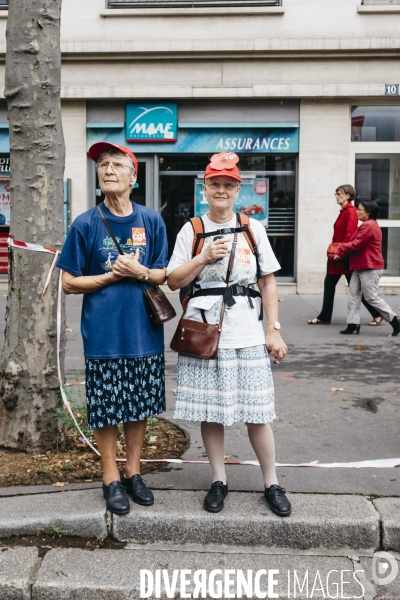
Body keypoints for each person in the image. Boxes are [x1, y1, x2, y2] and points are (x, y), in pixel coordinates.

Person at [167, 152, 291, 517]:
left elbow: (268, 281)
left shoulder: (254, 228)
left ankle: (272, 482)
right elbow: (174, 280)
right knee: (211, 411)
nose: (221, 190)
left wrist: (274, 329)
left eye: (228, 184)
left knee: (258, 412)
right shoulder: (191, 230)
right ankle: (218, 480)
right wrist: (203, 258)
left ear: (238, 189)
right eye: (214, 183)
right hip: (205, 332)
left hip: (247, 333)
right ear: (204, 188)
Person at [57, 142, 168, 515]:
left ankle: (134, 472)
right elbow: (69, 282)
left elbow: (161, 273)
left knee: (138, 405)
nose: (107, 170)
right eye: (102, 165)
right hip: (103, 333)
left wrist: (139, 272)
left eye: (117, 165)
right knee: (106, 408)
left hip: (143, 331)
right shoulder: (85, 223)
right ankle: (110, 477)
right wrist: (109, 276)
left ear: (133, 177)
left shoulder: (151, 220)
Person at [308, 185, 381, 326]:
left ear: (348, 195)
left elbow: (350, 235)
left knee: (355, 288)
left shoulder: (351, 212)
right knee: (332, 284)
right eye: (336, 193)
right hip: (338, 256)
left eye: (339, 194)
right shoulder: (344, 211)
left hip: (342, 257)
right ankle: (325, 316)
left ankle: (378, 313)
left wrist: (341, 252)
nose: (336, 196)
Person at [334, 199, 400, 337]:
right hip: (360, 266)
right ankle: (353, 324)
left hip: (370, 267)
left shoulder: (369, 225)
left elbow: (356, 244)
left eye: (360, 210)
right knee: (353, 295)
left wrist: (340, 248)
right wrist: (342, 250)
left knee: (370, 297)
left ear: (368, 212)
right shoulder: (365, 225)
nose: (357, 211)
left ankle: (395, 321)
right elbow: (352, 241)